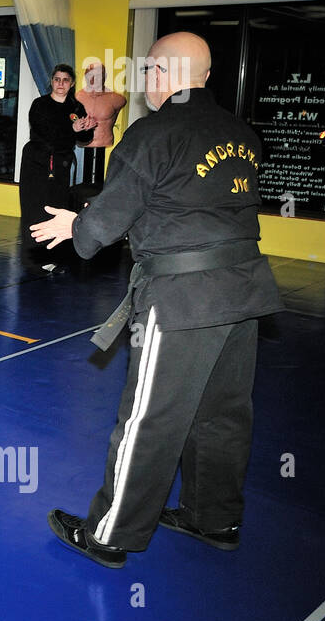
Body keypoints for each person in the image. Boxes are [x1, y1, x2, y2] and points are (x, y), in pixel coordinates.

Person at [31, 32, 283, 568]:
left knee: (150, 418)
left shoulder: (153, 135)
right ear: (208, 77)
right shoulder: (243, 134)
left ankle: (110, 533)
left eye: (148, 72)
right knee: (224, 414)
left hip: (182, 299)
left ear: (161, 75)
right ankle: (214, 518)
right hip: (245, 293)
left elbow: (102, 225)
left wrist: (80, 226)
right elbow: (197, 204)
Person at [19, 63, 96, 269]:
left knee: (58, 207)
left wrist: (86, 129)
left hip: (61, 164)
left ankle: (52, 256)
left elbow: (84, 138)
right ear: (51, 81)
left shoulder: (76, 107)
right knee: (34, 208)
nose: (60, 83)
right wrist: (71, 128)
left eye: (65, 80)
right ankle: (32, 257)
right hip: (36, 162)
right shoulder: (40, 104)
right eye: (56, 79)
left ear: (71, 84)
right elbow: (44, 132)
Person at [76, 58, 126, 189]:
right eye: (90, 74)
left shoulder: (117, 99)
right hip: (84, 143)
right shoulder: (77, 97)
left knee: (98, 187)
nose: (93, 78)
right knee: (85, 188)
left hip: (104, 142)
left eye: (98, 74)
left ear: (105, 76)